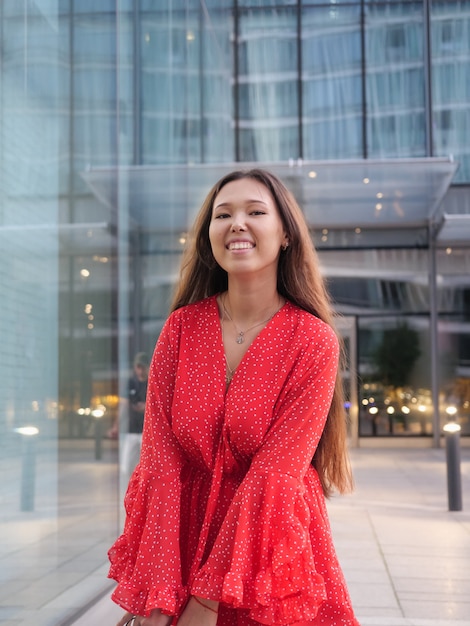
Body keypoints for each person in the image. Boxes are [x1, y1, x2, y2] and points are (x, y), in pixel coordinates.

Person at [108, 168, 360, 626]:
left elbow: (274, 475)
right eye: (222, 214)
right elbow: (161, 463)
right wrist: (161, 595)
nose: (237, 223)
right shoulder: (180, 329)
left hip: (266, 552)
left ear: (285, 234)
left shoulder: (313, 341)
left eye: (255, 212)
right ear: (209, 237)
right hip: (180, 542)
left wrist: (207, 602)